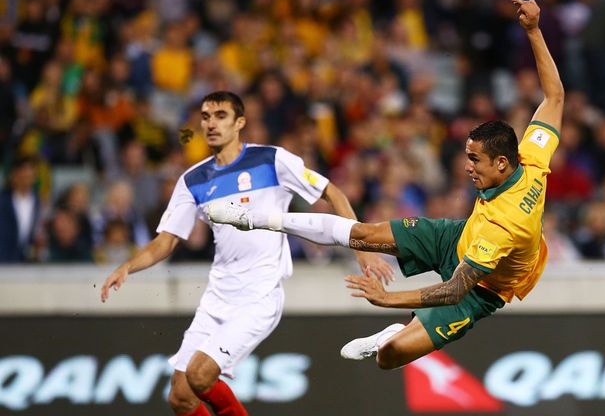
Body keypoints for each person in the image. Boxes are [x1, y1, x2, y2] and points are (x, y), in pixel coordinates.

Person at [207, 0, 563, 370]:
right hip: (460, 237)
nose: (467, 166)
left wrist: (386, 298)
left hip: (481, 287)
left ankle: (392, 331)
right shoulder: (532, 159)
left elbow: (455, 289)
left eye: (475, 159)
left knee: (388, 358)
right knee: (362, 234)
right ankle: (258, 218)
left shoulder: (505, 226)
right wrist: (534, 31)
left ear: (502, 163)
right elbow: (555, 96)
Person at [100, 91, 392, 416]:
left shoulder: (272, 160)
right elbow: (166, 242)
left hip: (259, 296)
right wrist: (128, 266)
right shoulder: (193, 180)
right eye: (206, 116)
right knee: (181, 397)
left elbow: (333, 193)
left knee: (200, 375)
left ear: (240, 122)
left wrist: (362, 249)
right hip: (217, 296)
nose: (212, 124)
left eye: (221, 116)